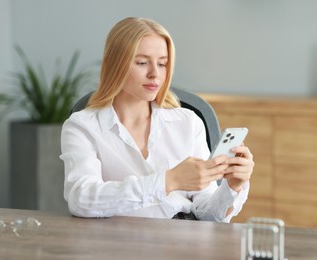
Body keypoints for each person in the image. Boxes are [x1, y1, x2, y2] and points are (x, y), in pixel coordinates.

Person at [60, 17, 254, 222]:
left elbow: (207, 214)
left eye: (162, 64)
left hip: (181, 243)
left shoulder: (188, 123)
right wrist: (168, 181)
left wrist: (233, 187)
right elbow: (81, 199)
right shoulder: (82, 126)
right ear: (114, 65)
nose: (155, 74)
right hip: (116, 243)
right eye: (143, 62)